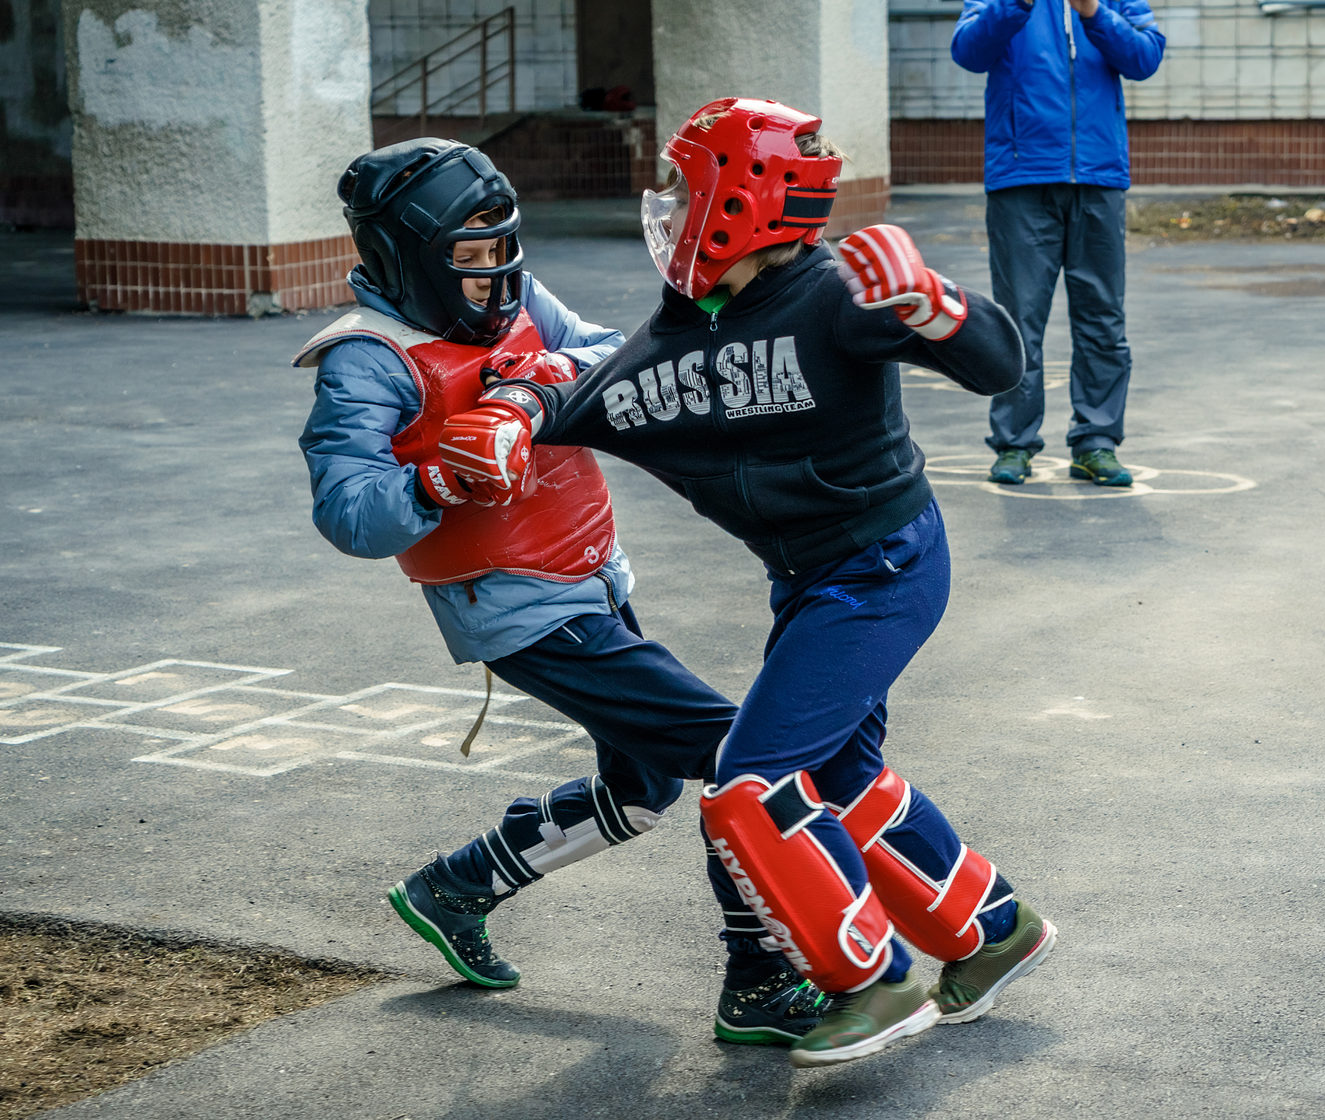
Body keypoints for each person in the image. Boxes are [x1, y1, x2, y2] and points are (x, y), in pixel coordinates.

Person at [438, 98, 1057, 1068]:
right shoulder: (681, 334)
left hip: (886, 565)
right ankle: (993, 928)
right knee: (838, 775)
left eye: (687, 192)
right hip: (809, 584)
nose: (672, 213)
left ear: (741, 199)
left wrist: (937, 305)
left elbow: (1001, 366)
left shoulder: (837, 298)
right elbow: (583, 390)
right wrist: (516, 410)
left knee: (752, 781)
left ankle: (872, 980)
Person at [294, 138, 825, 1049]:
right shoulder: (369, 360)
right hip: (518, 609)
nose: (496, 275)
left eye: (503, 247)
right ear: (404, 259)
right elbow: (347, 512)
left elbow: (608, 354)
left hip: (591, 573)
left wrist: (536, 383)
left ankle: (456, 886)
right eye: (470, 257)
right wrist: (438, 480)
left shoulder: (514, 303)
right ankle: (761, 978)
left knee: (646, 783)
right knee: (744, 755)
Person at [951, 0, 1165, 487]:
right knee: (1019, 318)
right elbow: (968, 51)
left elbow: (1145, 57)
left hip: (1098, 177)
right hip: (1021, 177)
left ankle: (1097, 442)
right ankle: (1014, 444)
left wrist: (1093, 12)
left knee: (1102, 317)